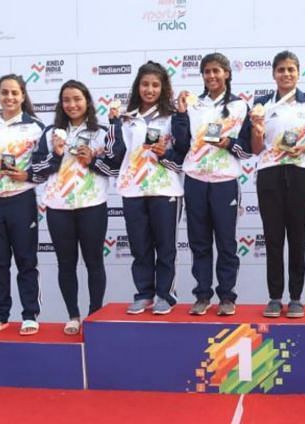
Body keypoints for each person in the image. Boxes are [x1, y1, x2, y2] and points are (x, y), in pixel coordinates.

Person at [32, 80, 124, 335]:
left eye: (77, 99)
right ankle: (73, 315)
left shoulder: (102, 131)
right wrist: (57, 154)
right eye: (67, 100)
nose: (72, 104)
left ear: (87, 102)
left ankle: (95, 314)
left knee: (95, 262)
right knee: (66, 263)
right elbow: (37, 172)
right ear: (61, 104)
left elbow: (116, 167)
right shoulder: (51, 132)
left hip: (91, 205)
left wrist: (92, 160)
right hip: (58, 207)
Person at [174, 52, 251, 316]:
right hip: (195, 179)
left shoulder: (240, 106)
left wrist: (228, 143)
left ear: (227, 73)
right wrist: (181, 115)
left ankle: (227, 296)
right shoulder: (193, 103)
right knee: (199, 242)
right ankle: (202, 295)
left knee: (227, 243)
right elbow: (182, 144)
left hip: (225, 182)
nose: (212, 76)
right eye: (207, 71)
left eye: (217, 70)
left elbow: (249, 148)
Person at [249, 51, 305, 318]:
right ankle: (274, 297)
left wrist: (304, 148)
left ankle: (296, 297)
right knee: (273, 238)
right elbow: (256, 149)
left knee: (297, 237)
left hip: (301, 172)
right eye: (281, 70)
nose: (286, 74)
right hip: (269, 172)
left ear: (299, 72)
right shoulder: (260, 104)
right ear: (273, 74)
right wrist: (257, 131)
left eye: (291, 69)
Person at [116, 61, 186, 316]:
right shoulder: (127, 118)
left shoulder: (173, 115)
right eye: (145, 84)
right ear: (138, 87)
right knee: (140, 246)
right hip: (133, 189)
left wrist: (164, 152)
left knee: (165, 246)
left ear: (163, 88)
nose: (149, 89)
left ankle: (166, 294)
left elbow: (182, 153)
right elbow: (117, 154)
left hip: (165, 188)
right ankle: (144, 293)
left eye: (155, 85)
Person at [0, 74, 44, 336]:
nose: (9, 97)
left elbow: (45, 166)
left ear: (23, 96)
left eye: (14, 93)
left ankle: (30, 314)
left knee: (26, 260)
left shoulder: (36, 127)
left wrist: (27, 176)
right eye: (4, 92)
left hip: (21, 200)